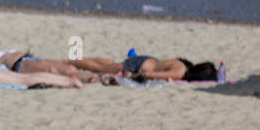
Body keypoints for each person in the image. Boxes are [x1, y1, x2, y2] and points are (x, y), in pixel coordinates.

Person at [68, 55, 218, 81]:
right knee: (99, 68)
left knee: (108, 64)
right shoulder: (179, 72)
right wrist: (131, 76)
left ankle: (81, 59)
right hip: (139, 66)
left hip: (147, 60)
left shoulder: (184, 65)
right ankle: (70, 61)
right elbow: (151, 75)